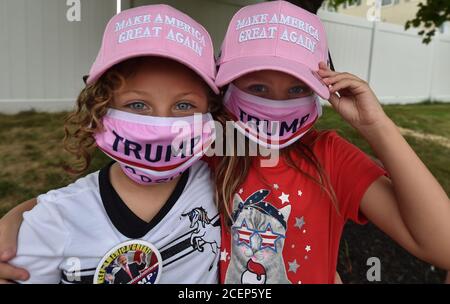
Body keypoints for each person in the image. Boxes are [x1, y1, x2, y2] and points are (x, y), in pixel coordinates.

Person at [212, 1, 450, 283]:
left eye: (297, 88)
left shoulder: (331, 156)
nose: (276, 104)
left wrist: (377, 127)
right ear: (226, 85)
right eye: (258, 87)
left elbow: (443, 245)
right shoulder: (204, 150)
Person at [0, 4, 222, 284]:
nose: (161, 127)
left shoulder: (223, 184)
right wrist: (27, 213)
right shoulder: (53, 221)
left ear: (210, 112)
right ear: (100, 109)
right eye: (138, 104)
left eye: (183, 105)